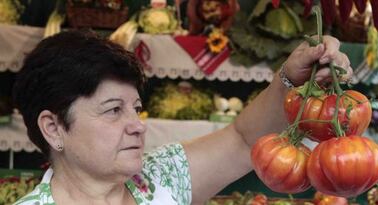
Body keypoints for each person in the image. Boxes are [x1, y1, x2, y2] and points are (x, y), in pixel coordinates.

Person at [12, 30, 351, 205]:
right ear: (53, 128)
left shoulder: (158, 176)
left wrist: (290, 79)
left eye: (135, 108)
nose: (136, 125)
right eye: (114, 110)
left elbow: (242, 139)